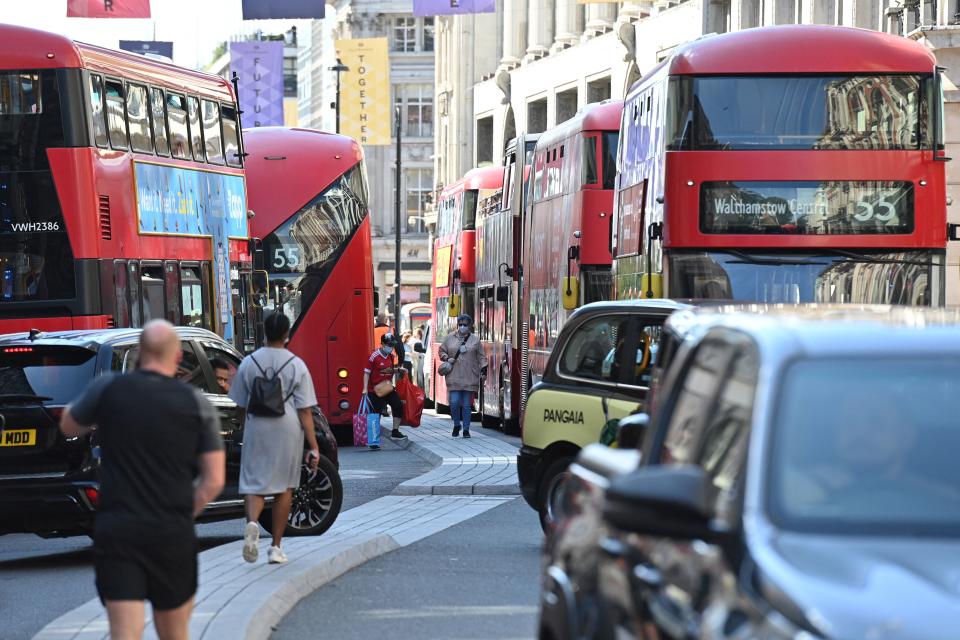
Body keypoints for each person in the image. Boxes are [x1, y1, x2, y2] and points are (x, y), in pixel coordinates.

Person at [59, 320, 226, 640]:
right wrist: (180, 513)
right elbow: (213, 480)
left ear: (139, 353)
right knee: (175, 632)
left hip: (119, 529)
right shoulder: (196, 404)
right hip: (171, 532)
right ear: (177, 359)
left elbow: (68, 426)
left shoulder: (107, 388)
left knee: (124, 633)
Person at [229, 312, 321, 565]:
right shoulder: (296, 364)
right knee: (284, 488)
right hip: (287, 428)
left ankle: (251, 524)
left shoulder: (248, 363)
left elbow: (238, 405)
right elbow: (305, 410)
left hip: (256, 426)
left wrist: (243, 423)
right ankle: (276, 547)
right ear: (286, 334)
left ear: (264, 332)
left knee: (254, 484)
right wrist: (312, 445)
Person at [438, 314, 485, 438]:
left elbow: (481, 356)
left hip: (470, 376)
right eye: (460, 324)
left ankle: (466, 429)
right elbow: (441, 351)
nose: (462, 327)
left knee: (466, 405)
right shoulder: (449, 338)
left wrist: (484, 368)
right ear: (457, 325)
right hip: (454, 375)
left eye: (465, 324)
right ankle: (456, 424)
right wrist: (447, 358)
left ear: (469, 326)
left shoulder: (475, 340)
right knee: (454, 402)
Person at [363, 332, 408, 446]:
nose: (391, 347)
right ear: (382, 344)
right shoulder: (374, 356)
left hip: (387, 387)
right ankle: (373, 440)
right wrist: (364, 389)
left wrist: (399, 370)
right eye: (389, 344)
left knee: (397, 405)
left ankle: (395, 431)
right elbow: (366, 373)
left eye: (392, 345)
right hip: (375, 390)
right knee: (375, 413)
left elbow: (389, 370)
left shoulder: (391, 356)